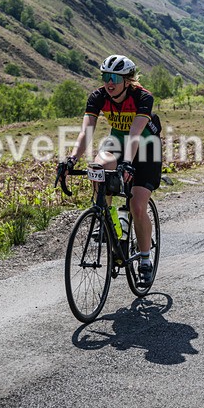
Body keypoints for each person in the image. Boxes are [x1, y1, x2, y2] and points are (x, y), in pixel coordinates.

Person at [57, 54, 162, 285]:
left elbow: (135, 134)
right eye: (106, 77)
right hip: (116, 143)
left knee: (137, 204)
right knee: (98, 167)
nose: (109, 82)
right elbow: (86, 132)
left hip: (146, 148)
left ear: (128, 80)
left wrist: (127, 164)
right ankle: (108, 220)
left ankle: (145, 259)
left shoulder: (142, 97)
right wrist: (71, 159)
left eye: (114, 77)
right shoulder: (98, 96)